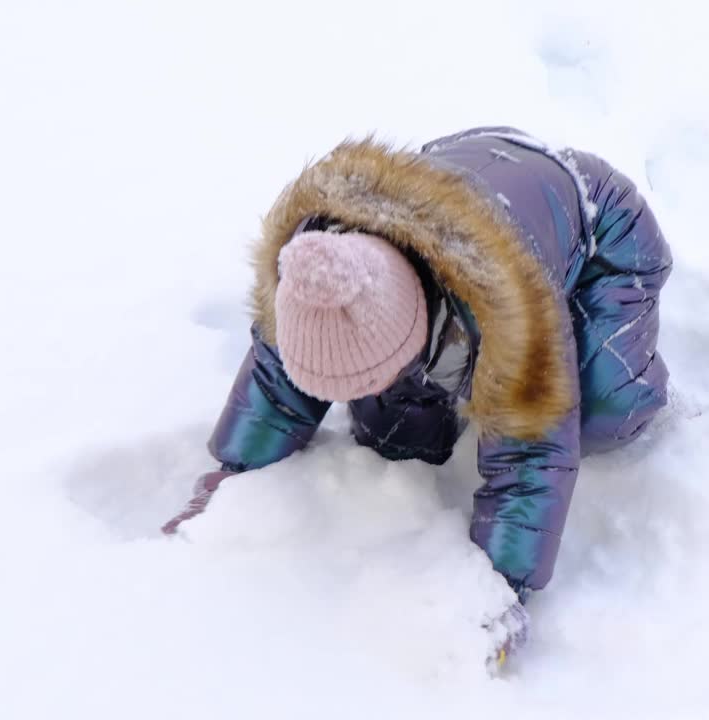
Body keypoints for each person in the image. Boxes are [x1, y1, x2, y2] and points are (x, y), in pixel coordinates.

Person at [163, 127, 673, 668]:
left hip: (601, 228)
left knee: (602, 413)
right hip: (452, 198)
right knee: (395, 437)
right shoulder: (311, 283)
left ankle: (609, 352)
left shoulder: (509, 318)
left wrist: (498, 590)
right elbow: (273, 385)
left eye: (371, 375)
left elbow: (533, 458)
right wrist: (232, 476)